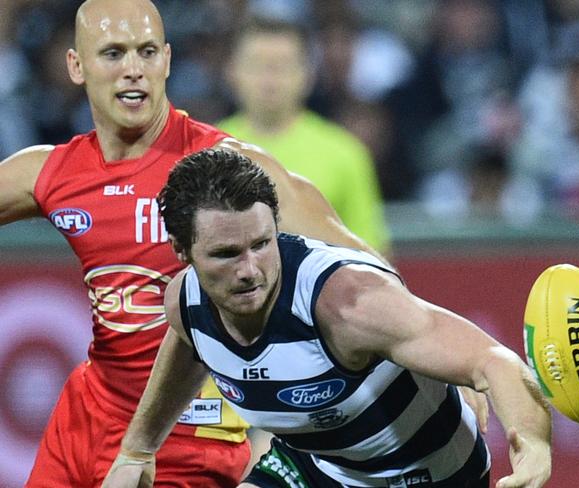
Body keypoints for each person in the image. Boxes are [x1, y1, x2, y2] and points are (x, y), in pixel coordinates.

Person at [0, 0, 384, 486]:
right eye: (113, 54)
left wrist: (433, 363)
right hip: (83, 421)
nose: (133, 71)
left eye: (145, 53)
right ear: (76, 65)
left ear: (167, 59)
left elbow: (364, 266)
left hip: (187, 434)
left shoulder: (225, 168)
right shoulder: (56, 171)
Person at [103, 148, 552, 488]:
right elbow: (188, 346)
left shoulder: (348, 302)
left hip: (424, 476)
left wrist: (533, 444)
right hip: (316, 468)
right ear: (183, 252)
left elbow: (493, 360)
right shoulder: (186, 302)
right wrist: (138, 448)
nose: (249, 270)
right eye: (225, 254)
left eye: (261, 244)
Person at [218, 16, 390, 254]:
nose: (269, 79)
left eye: (282, 66)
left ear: (308, 74)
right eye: (257, 65)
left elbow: (373, 256)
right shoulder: (208, 149)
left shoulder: (345, 153)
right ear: (232, 71)